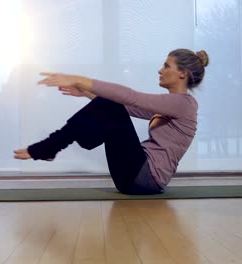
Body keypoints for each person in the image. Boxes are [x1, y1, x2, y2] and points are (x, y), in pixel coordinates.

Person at [14, 49, 209, 195]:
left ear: (182, 73)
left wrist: (79, 79)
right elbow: (125, 107)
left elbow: (131, 98)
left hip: (146, 179)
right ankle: (51, 146)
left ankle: (51, 146)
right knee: (113, 105)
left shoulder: (184, 104)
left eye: (166, 66)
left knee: (114, 104)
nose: (160, 70)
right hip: (135, 177)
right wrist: (87, 93)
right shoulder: (172, 105)